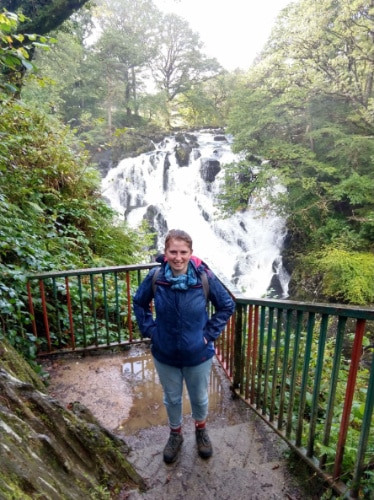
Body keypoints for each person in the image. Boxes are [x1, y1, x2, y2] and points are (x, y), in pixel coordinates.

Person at [133, 229, 235, 463]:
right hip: (165, 352)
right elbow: (139, 303)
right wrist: (151, 331)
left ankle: (201, 431)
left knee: (199, 397)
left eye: (183, 252)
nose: (178, 257)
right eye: (173, 252)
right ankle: (175, 434)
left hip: (197, 353)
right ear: (165, 253)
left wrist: (208, 335)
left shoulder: (203, 277)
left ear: (191, 253)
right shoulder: (156, 277)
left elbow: (226, 305)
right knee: (172, 398)